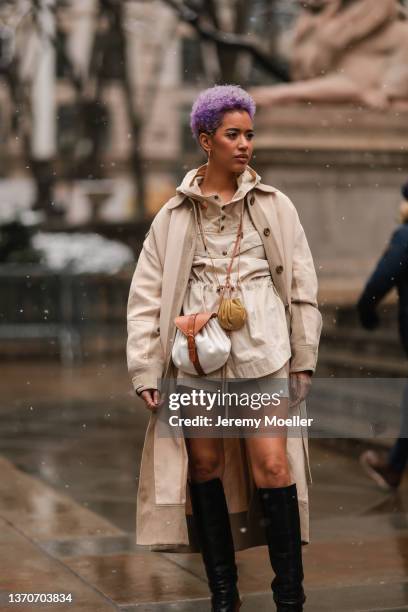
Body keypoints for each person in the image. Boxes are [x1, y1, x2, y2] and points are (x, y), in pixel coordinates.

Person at [126, 85, 322, 612]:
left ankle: (289, 599)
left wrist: (303, 360)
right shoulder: (171, 217)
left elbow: (302, 289)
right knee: (204, 470)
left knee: (274, 468)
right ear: (205, 140)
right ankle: (223, 594)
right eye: (233, 135)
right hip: (194, 361)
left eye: (250, 134)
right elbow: (145, 298)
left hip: (263, 355)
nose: (244, 145)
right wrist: (146, 370)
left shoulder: (276, 208)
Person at [358, 182, 408, 491]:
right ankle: (394, 465)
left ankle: (394, 466)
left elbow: (379, 283)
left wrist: (367, 313)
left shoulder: (405, 237)